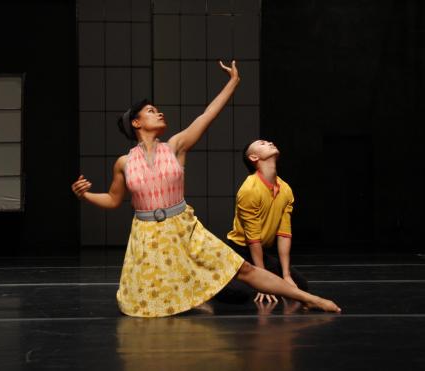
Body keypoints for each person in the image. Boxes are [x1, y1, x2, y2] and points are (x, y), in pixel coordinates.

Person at [71, 61, 341, 317]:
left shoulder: (175, 146)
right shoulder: (124, 162)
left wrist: (233, 82)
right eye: (151, 111)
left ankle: (310, 299)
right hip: (147, 235)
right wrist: (85, 195)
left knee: (243, 269)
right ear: (136, 123)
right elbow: (113, 199)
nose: (159, 112)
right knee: (144, 307)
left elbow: (207, 115)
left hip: (182, 226)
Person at [221, 139, 309, 303]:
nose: (269, 142)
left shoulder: (286, 189)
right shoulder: (249, 189)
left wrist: (286, 275)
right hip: (239, 250)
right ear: (254, 157)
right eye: (262, 143)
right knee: (240, 294)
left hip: (260, 250)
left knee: (300, 285)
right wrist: (262, 282)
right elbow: (252, 238)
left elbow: (284, 234)